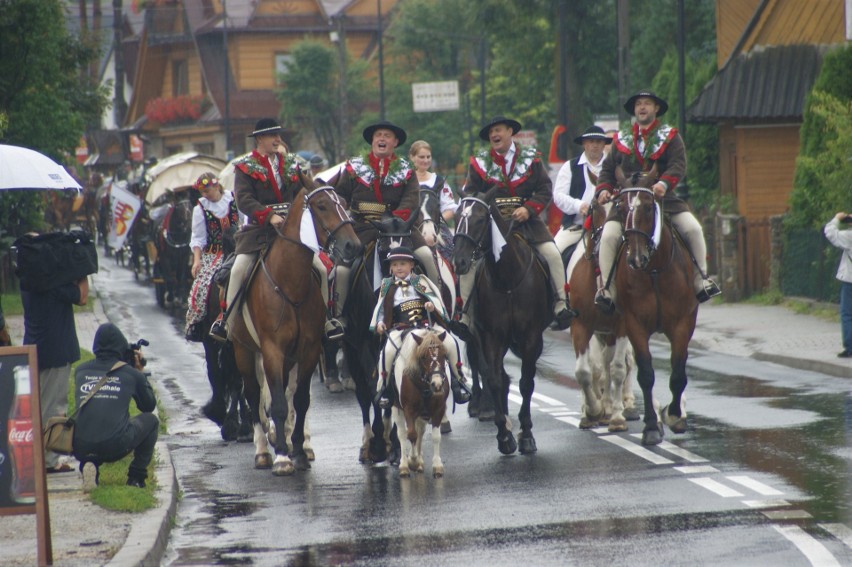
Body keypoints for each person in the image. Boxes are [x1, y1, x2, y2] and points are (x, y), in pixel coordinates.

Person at [210, 118, 342, 341]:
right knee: (238, 269)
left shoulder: (291, 164)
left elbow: (306, 189)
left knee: (320, 267)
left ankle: (327, 319)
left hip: (292, 232)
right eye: (273, 135)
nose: (278, 140)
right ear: (260, 139)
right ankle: (226, 322)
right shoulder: (244, 167)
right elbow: (243, 200)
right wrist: (268, 215)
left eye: (279, 135)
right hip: (258, 232)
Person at [594, 91, 721, 313]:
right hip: (628, 202)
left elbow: (678, 165)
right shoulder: (621, 140)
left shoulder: (670, 136)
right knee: (608, 236)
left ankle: (702, 279)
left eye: (647, 104)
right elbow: (607, 171)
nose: (642, 107)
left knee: (694, 229)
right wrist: (603, 190)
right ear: (634, 111)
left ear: (656, 109)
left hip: (663, 198)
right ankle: (607, 289)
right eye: (638, 104)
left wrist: (663, 183)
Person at [456, 116, 574, 335]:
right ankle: (464, 314)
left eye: (498, 130)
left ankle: (560, 304)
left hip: (526, 223)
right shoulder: (479, 163)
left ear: (510, 132)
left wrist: (528, 209)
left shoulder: (531, 158)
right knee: (470, 261)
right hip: (491, 226)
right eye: (491, 132)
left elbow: (545, 189)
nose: (494, 135)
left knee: (552, 253)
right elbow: (471, 194)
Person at [331, 120, 441, 329]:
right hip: (362, 228)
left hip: (399, 228)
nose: (381, 138)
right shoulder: (354, 167)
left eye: (387, 136)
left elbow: (410, 200)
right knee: (342, 269)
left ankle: (437, 307)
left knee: (426, 255)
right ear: (372, 141)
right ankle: (339, 317)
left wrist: (393, 221)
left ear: (395, 142)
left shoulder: (407, 170)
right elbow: (339, 195)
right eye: (378, 135)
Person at [370, 247, 470, 405]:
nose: (399, 268)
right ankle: (384, 390)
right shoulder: (387, 284)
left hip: (427, 324)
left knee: (451, 342)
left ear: (411, 265)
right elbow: (381, 309)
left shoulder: (422, 281)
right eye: (395, 265)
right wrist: (380, 323)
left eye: (403, 263)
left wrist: (432, 307)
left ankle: (460, 381)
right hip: (401, 327)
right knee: (387, 352)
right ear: (390, 267)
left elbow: (436, 301)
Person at [72, 323, 157, 491]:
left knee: (94, 426)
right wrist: (139, 372)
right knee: (152, 421)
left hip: (79, 445)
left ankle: (89, 465)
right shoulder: (130, 374)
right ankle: (136, 477)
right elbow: (148, 406)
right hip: (114, 445)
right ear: (121, 347)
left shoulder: (80, 371)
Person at [22, 273, 88, 473]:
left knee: (38, 405)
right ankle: (49, 461)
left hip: (34, 348)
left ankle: (36, 456)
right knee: (54, 407)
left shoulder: (28, 280)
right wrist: (82, 270)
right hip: (56, 351)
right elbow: (83, 297)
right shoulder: (54, 284)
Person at [553, 125, 612, 283]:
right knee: (554, 255)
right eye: (591, 141)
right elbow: (558, 196)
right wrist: (579, 206)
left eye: (599, 141)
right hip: (576, 228)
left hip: (608, 227)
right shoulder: (569, 167)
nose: (595, 145)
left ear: (604, 144)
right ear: (584, 144)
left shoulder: (613, 167)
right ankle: (559, 300)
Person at [185, 173, 239, 342]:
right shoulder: (200, 208)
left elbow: (245, 224)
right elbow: (198, 237)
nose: (204, 194)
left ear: (217, 186)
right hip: (214, 254)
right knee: (202, 286)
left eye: (207, 190)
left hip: (239, 249)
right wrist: (197, 260)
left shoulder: (235, 201)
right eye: (202, 191)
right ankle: (197, 324)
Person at [410, 140, 458, 259]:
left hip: (437, 227)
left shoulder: (439, 181)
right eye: (421, 157)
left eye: (428, 157)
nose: (426, 160)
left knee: (451, 253)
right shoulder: (406, 180)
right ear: (412, 157)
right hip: (412, 228)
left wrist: (432, 222)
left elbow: (449, 208)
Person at [824, 212, 852, 358]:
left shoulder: (849, 236)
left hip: (850, 281)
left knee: (847, 314)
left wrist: (837, 218)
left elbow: (830, 232)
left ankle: (850, 348)